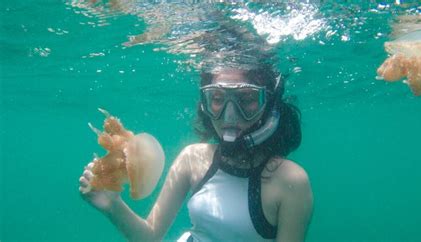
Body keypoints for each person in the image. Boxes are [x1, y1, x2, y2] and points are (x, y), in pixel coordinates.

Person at [79, 62, 314, 241]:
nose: (229, 116)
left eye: (247, 99)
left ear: (269, 105)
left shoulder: (291, 181)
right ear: (205, 103)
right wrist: (110, 204)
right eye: (218, 99)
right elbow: (150, 236)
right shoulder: (192, 157)